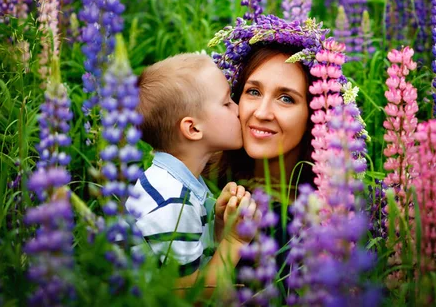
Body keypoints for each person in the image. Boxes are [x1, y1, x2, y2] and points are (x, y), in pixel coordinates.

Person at [125, 53, 257, 296]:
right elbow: (191, 296)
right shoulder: (172, 204)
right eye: (227, 103)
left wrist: (219, 224)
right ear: (193, 128)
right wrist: (234, 241)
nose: (239, 110)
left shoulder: (179, 182)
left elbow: (199, 252)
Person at [215, 43, 315, 196]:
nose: (261, 113)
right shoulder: (200, 185)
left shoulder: (331, 212)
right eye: (254, 92)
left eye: (286, 99)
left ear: (314, 114)